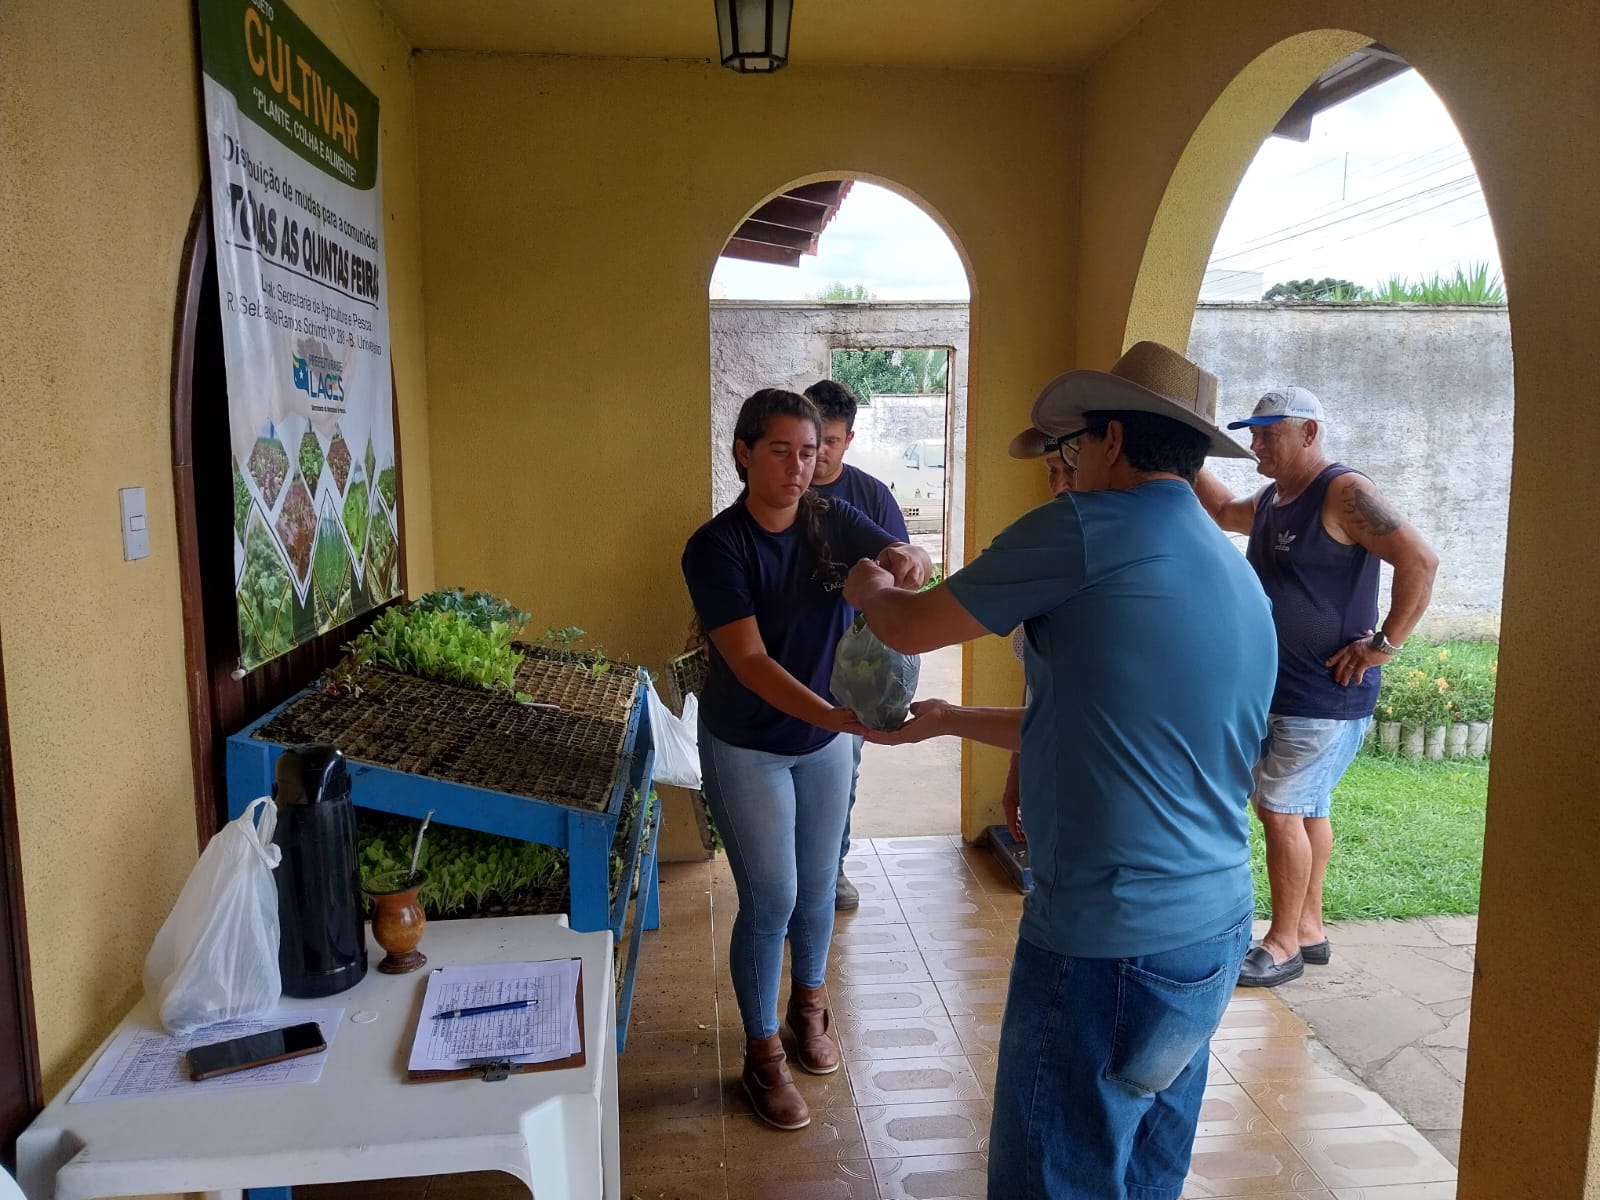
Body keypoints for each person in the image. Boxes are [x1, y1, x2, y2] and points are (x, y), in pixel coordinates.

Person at [844, 341, 1276, 1200]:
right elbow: (1113, 726)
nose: (1064, 469)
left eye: (1071, 447)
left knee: (1055, 1177)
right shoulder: (1228, 566)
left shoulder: (1088, 527)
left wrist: (867, 587)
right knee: (1144, 1167)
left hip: (1110, 939)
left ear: (1111, 440)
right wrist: (952, 720)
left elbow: (909, 624)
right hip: (1211, 928)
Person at [681, 388, 931, 1132]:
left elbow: (899, 554)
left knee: (819, 889)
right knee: (773, 898)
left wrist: (908, 558)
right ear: (744, 453)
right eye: (781, 451)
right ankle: (762, 1055)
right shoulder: (716, 547)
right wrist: (830, 715)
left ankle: (808, 1011)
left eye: (810, 452)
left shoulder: (829, 518)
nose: (798, 467)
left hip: (824, 744)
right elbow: (750, 661)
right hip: (748, 744)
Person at [1194, 387, 1439, 987]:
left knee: (1278, 809)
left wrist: (1384, 645)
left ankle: (1282, 945)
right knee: (1305, 810)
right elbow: (1222, 511)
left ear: (1308, 432)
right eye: (1253, 434)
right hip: (1283, 691)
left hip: (1327, 694)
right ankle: (1308, 929)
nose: (1256, 445)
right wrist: (1181, 448)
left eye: (1269, 433)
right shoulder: (1275, 499)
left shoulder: (1342, 492)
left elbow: (1420, 560)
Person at [802, 378, 912, 911]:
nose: (819, 453)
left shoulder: (870, 498)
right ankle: (793, 877)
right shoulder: (782, 494)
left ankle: (832, 870)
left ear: (848, 439)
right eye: (812, 440)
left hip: (850, 672)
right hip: (791, 660)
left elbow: (904, 572)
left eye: (831, 440)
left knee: (840, 776)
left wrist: (892, 575)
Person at [997, 423, 1078, 841]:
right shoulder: (1052, 556)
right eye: (1052, 472)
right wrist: (1017, 772)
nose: (1059, 486)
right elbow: (1034, 678)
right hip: (1044, 770)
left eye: (1071, 471)